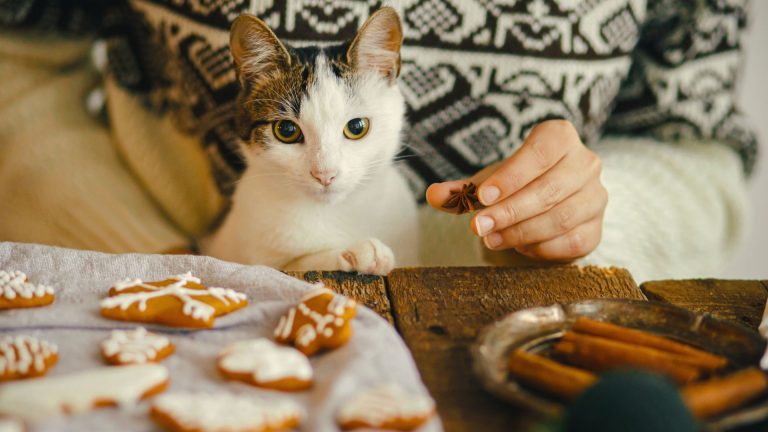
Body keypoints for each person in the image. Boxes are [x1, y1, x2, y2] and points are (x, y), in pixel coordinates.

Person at [0, 1, 755, 283]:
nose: (328, 168)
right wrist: (149, 272)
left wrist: (585, 228)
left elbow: (694, 141)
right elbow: (17, 61)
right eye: (291, 134)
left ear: (390, 84)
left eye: (356, 130)